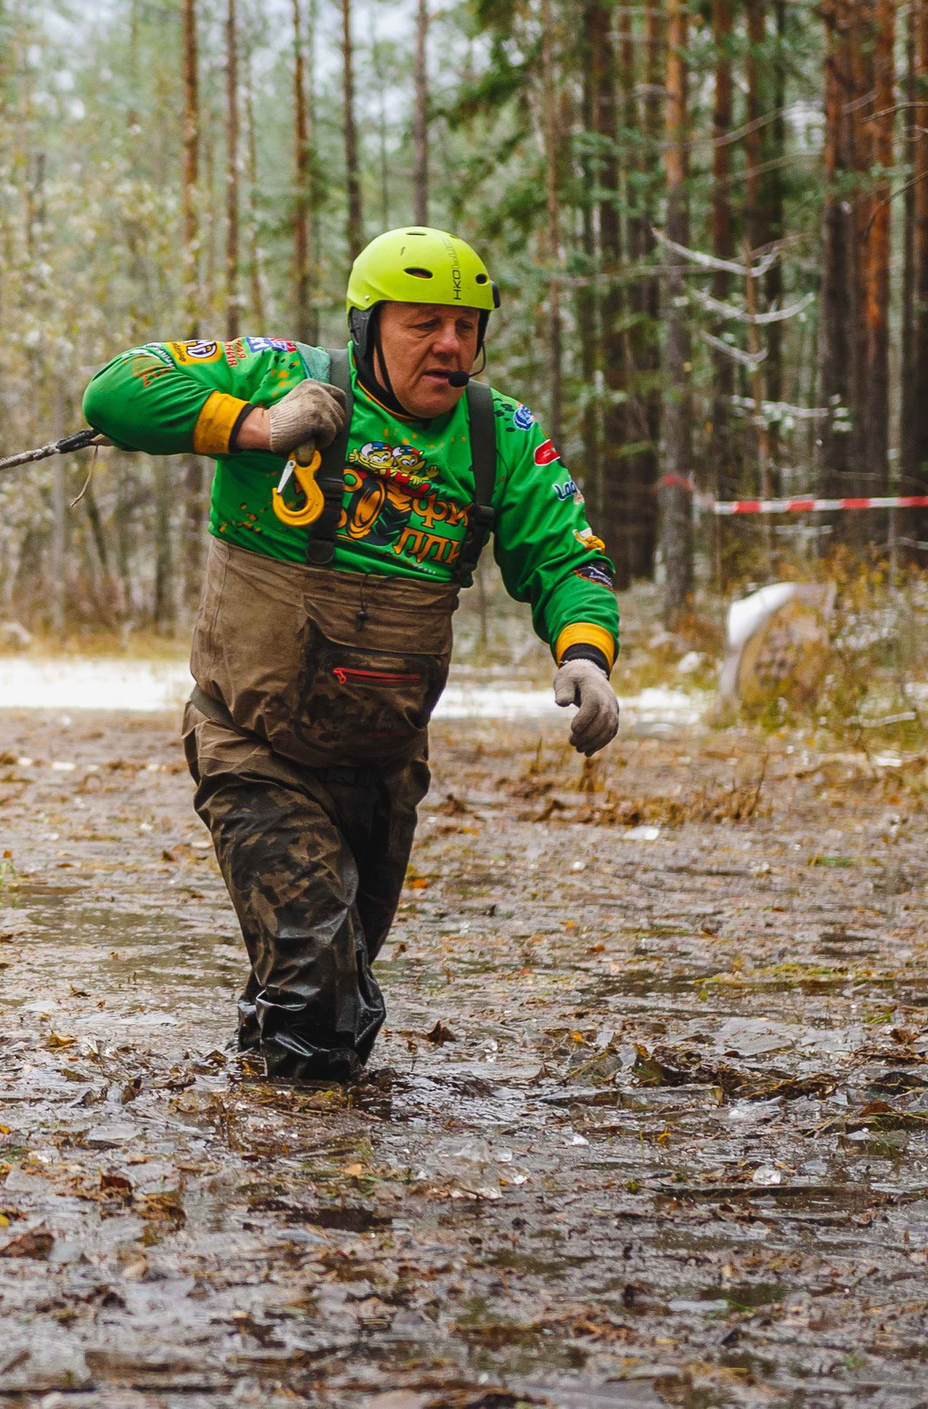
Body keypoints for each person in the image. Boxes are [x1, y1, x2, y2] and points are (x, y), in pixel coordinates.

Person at [80, 227, 620, 1083]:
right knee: (319, 984)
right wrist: (257, 426)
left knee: (331, 984)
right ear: (368, 328)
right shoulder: (282, 373)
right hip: (252, 746)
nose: (450, 345)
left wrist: (585, 653)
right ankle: (309, 1152)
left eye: (467, 326)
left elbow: (565, 557)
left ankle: (260, 1118)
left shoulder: (504, 436)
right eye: (423, 324)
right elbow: (115, 391)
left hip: (383, 767)